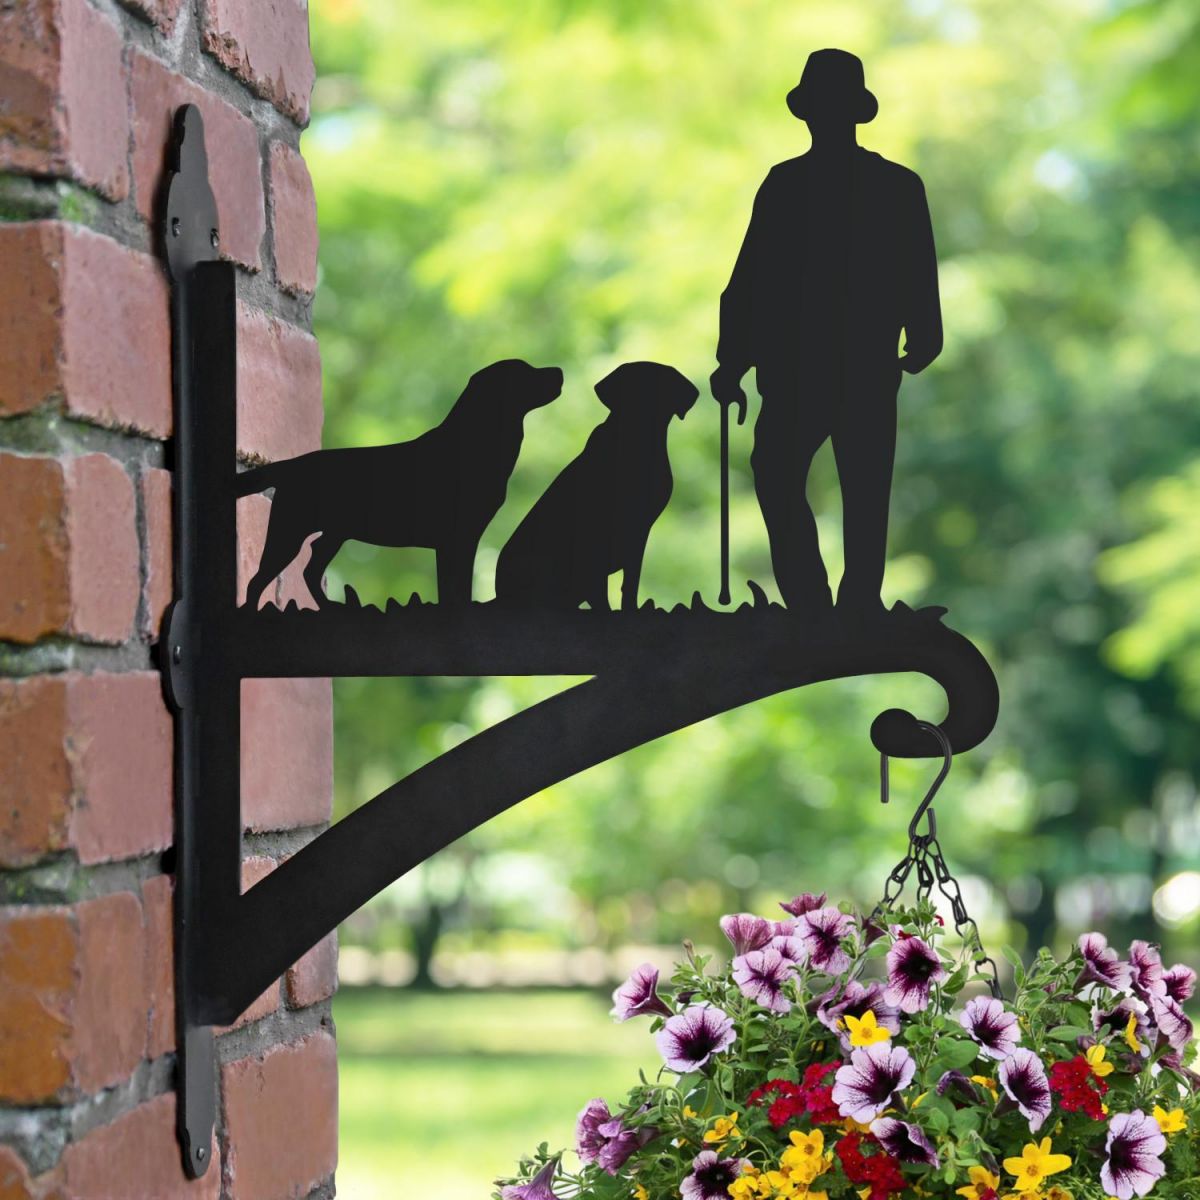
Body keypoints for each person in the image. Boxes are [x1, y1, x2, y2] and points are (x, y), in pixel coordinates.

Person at [711, 48, 942, 619]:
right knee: (795, 476)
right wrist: (732, 360)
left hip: (831, 365)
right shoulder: (793, 186)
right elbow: (752, 278)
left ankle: (848, 603)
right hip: (807, 367)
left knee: (854, 484)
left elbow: (917, 268)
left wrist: (925, 330)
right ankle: (820, 604)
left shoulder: (889, 187)